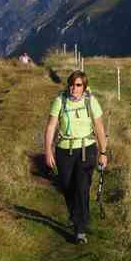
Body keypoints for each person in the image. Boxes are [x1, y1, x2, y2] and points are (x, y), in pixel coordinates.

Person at [44, 71, 109, 244]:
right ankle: (76, 213)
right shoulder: (60, 101)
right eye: (72, 84)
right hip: (64, 150)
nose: (74, 88)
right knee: (66, 185)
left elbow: (100, 127)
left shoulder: (91, 101)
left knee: (82, 187)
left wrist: (103, 152)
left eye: (78, 85)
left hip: (86, 149)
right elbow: (51, 127)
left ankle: (80, 229)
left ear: (84, 87)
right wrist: (48, 151)